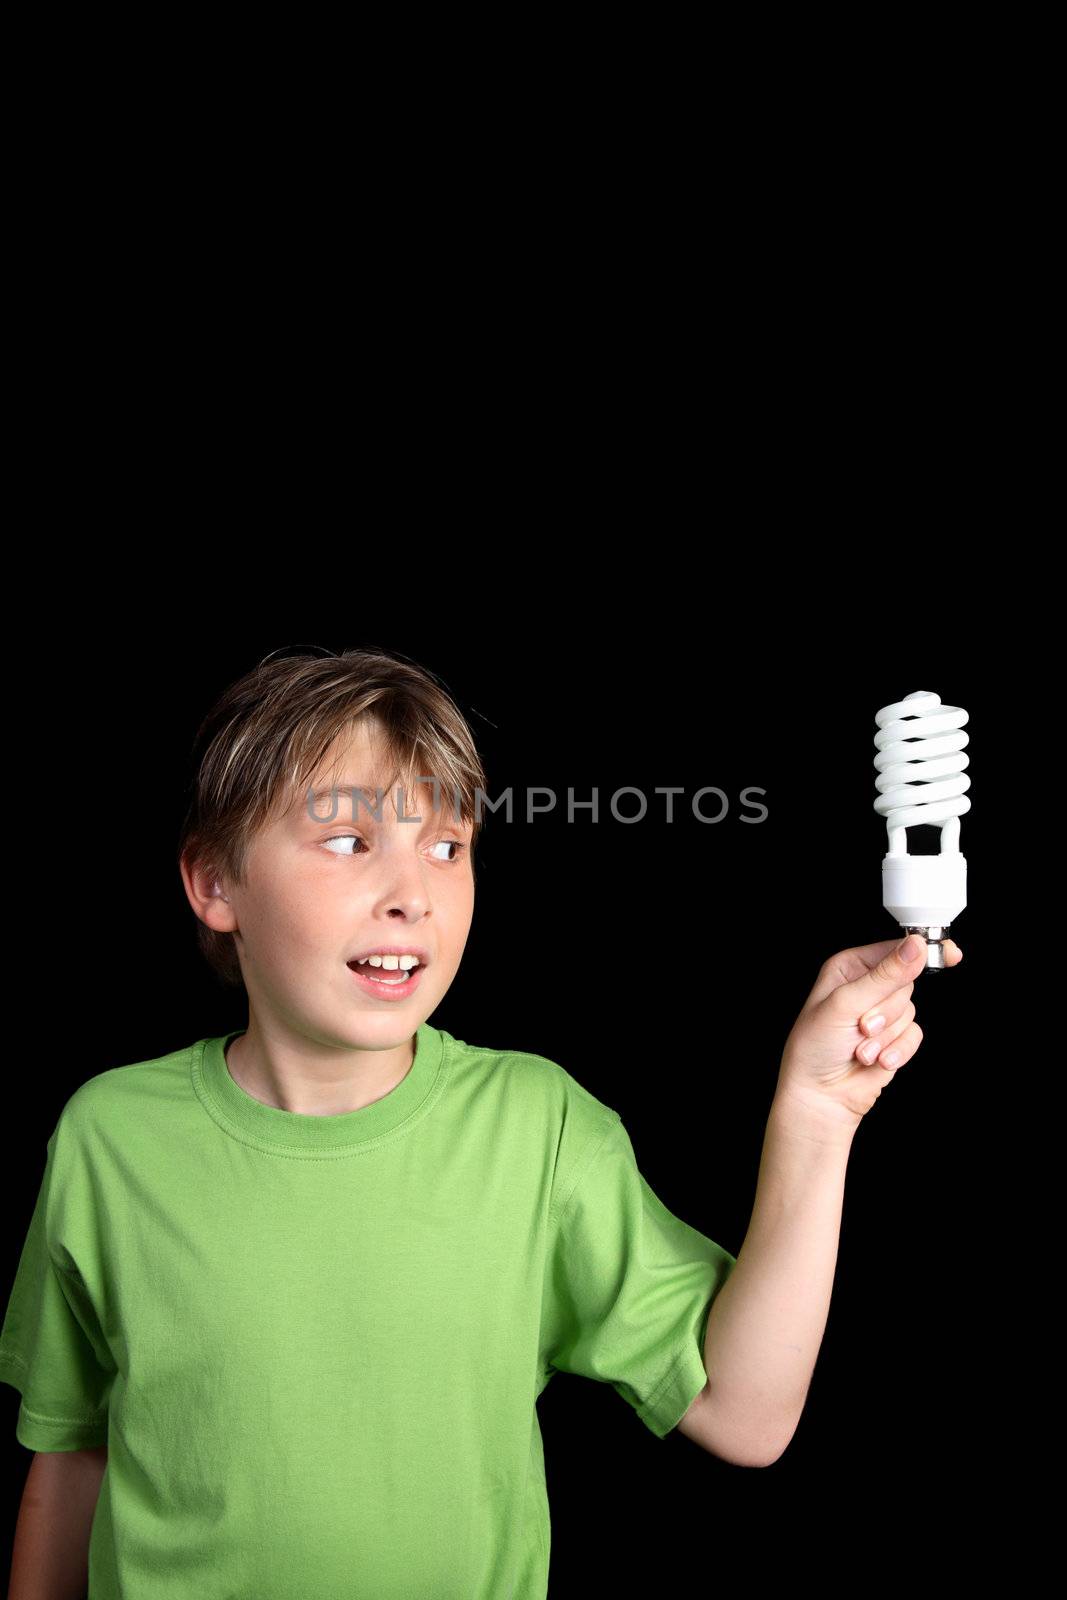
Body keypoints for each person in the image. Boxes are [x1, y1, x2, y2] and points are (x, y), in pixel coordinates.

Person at [1, 646, 962, 1600]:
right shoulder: (111, 1138)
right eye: (347, 840)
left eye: (448, 846)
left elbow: (744, 1416)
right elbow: (76, 1453)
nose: (412, 892)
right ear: (214, 884)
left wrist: (816, 1112)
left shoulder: (533, 1129)